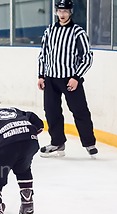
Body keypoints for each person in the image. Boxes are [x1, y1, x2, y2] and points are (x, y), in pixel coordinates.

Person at [37, 0, 97, 158]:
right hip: (50, 79)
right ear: (56, 12)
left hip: (70, 80)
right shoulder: (49, 30)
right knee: (51, 111)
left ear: (70, 12)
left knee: (80, 111)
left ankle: (89, 143)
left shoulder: (78, 32)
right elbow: (43, 55)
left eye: (65, 11)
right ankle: (57, 142)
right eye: (59, 11)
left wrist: (76, 77)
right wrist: (41, 75)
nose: (62, 14)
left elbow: (87, 57)